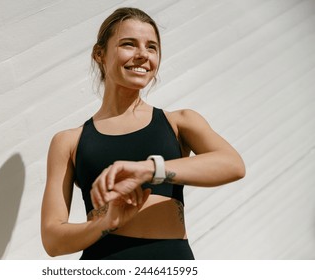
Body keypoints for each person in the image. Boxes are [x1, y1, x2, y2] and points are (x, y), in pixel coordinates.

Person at [41, 7, 245, 260]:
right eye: (128, 44)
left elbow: (233, 165)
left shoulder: (179, 122)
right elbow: (53, 240)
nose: (142, 55)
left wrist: (149, 170)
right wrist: (105, 223)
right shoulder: (69, 141)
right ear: (99, 54)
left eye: (151, 47)